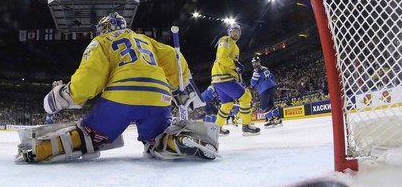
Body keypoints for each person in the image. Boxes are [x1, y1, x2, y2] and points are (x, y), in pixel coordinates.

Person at [17, 12, 219, 163]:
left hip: (121, 97)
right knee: (158, 138)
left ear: (103, 28)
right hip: (159, 97)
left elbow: (90, 77)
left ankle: (42, 149)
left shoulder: (101, 41)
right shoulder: (145, 40)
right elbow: (176, 58)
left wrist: (65, 95)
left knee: (89, 136)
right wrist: (178, 86)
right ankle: (177, 141)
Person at [210, 23, 260, 136]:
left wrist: (236, 71)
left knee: (227, 104)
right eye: (234, 31)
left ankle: (217, 128)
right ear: (229, 32)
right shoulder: (226, 40)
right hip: (224, 76)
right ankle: (246, 126)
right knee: (246, 97)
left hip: (218, 78)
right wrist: (236, 66)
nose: (236, 33)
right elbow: (223, 58)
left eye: (238, 31)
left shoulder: (235, 46)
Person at [250, 57, 282, 127]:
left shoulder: (256, 70)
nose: (254, 64)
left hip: (264, 88)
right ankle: (278, 119)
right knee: (271, 104)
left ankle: (270, 120)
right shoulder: (265, 68)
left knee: (264, 105)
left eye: (255, 63)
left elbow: (253, 82)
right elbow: (272, 76)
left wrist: (252, 83)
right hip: (271, 86)